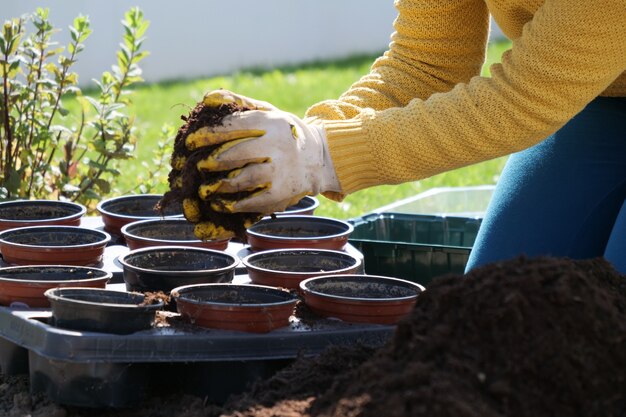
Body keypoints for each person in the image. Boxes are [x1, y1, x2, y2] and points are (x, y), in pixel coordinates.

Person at [179, 0, 626, 273]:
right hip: (602, 95)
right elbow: (428, 62)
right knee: (497, 316)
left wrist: (321, 158)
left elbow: (523, 100)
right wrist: (307, 135)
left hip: (558, 88)